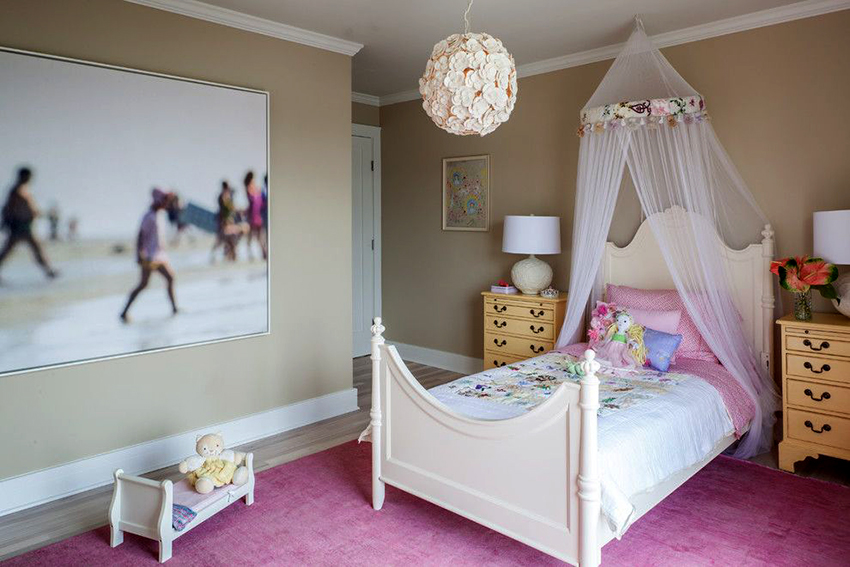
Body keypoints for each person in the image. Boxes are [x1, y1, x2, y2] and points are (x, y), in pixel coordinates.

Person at [120, 188, 179, 322]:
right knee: (143, 284)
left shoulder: (160, 215)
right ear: (158, 201)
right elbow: (140, 236)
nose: (166, 203)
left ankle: (174, 308)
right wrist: (139, 254)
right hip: (149, 257)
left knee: (170, 278)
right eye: (165, 200)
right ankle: (124, 312)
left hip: (159, 256)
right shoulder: (148, 216)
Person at [0, 167, 59, 280]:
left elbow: (31, 209)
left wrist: (41, 214)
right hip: (19, 226)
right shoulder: (16, 191)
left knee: (34, 248)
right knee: (11, 250)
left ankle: (49, 271)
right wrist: (5, 222)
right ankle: (49, 271)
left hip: (25, 226)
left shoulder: (23, 190)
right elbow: (8, 209)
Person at [210, 181, 238, 262]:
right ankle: (215, 256)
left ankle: (231, 257)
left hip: (228, 222)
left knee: (230, 241)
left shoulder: (227, 197)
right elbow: (225, 211)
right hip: (224, 223)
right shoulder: (222, 197)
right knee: (222, 240)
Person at [243, 171, 267, 261]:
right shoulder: (250, 189)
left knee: (259, 236)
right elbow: (253, 198)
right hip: (254, 215)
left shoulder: (253, 188)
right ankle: (252, 254)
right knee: (254, 236)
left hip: (257, 214)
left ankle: (263, 253)